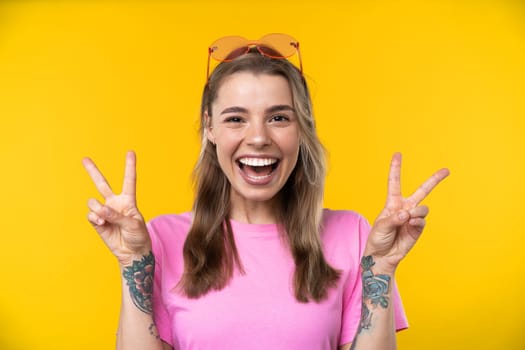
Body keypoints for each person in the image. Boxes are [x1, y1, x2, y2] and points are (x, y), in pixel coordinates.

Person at [82, 33, 449, 350]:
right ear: (210, 128)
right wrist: (133, 265)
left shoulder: (352, 235)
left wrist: (381, 269)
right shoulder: (160, 239)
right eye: (236, 118)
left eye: (278, 117)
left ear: (302, 128)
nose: (258, 138)